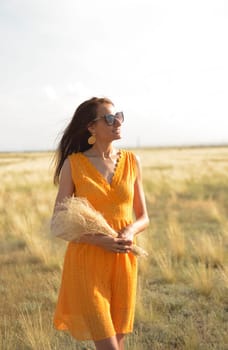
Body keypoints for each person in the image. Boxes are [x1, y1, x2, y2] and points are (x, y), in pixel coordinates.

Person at [52, 97, 149, 350]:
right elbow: (59, 223)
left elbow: (143, 217)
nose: (117, 121)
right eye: (108, 118)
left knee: (118, 342)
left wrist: (129, 231)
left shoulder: (131, 161)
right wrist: (100, 240)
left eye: (118, 116)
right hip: (87, 263)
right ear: (91, 127)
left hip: (123, 262)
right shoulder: (73, 165)